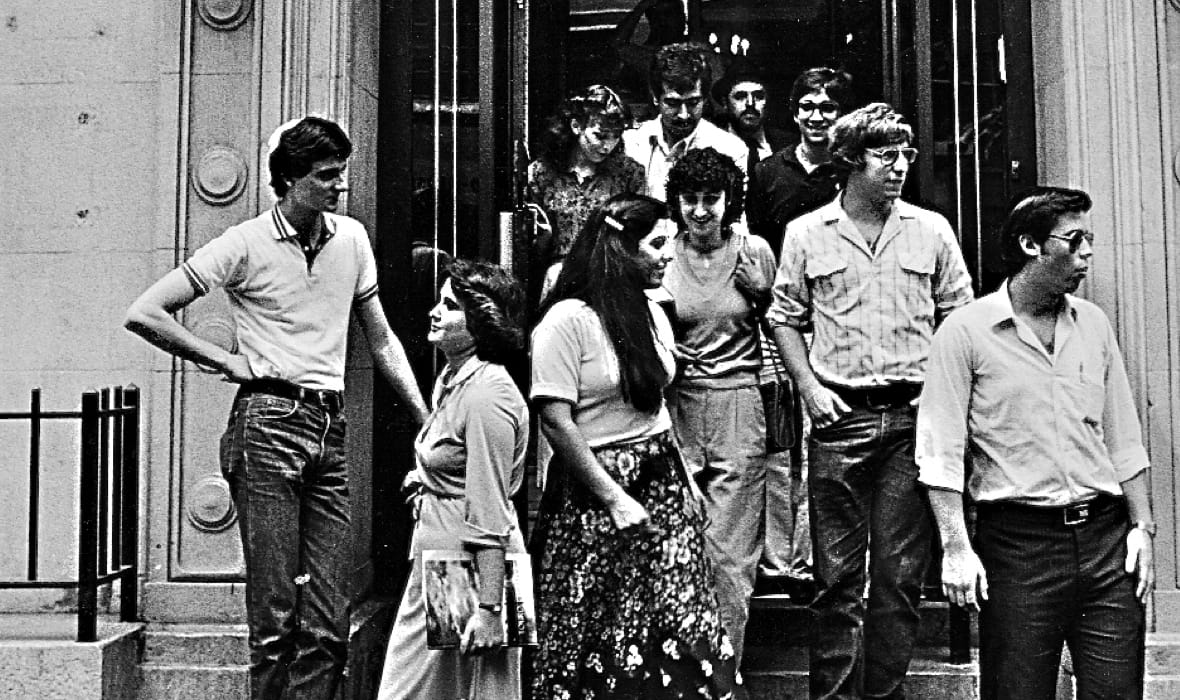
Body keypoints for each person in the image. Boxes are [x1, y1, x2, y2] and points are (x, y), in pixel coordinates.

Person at [123, 116, 430, 699]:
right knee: (275, 619)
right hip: (268, 424)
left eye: (341, 174)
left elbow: (383, 339)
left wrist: (426, 417)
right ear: (287, 180)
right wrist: (224, 360)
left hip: (328, 426)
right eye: (325, 177)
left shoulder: (352, 239)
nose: (339, 187)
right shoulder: (244, 243)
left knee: (329, 623)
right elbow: (146, 312)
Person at [767, 103, 973, 700]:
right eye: (887, 155)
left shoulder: (932, 230)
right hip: (841, 418)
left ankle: (884, 692)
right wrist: (809, 387)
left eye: (906, 154)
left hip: (913, 418)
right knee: (835, 578)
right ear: (852, 162)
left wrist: (944, 399)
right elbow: (784, 318)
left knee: (900, 577)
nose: (901, 166)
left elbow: (958, 318)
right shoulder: (806, 233)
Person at [916, 187, 1154, 700]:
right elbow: (939, 450)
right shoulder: (965, 332)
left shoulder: (1093, 324)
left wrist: (1142, 528)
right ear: (1030, 245)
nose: (1086, 252)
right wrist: (956, 548)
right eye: (1074, 240)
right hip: (1018, 547)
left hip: (1106, 544)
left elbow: (1123, 438)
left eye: (1089, 239)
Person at [530, 193, 740, 699]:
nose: (670, 255)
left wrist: (682, 478)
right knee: (596, 619)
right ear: (622, 250)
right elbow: (557, 422)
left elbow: (657, 405)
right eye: (658, 244)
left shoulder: (651, 312)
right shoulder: (567, 321)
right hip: (595, 490)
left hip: (660, 477)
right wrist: (614, 498)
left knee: (678, 612)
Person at [377, 259, 530, 699]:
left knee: (461, 692)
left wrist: (489, 610)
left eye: (450, 306)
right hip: (445, 561)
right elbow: (454, 462)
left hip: (472, 570)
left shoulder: (488, 395)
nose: (435, 312)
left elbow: (488, 508)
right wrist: (423, 477)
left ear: (483, 321)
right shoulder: (454, 381)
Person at [661, 147, 777, 665]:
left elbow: (786, 327)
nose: (701, 211)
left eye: (712, 199)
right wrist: (664, 346)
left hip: (738, 402)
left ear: (730, 201)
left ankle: (723, 673)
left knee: (730, 557)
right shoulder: (662, 251)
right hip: (676, 403)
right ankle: (678, 677)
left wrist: (764, 296)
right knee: (677, 546)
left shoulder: (755, 251)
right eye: (691, 199)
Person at [527, 84, 646, 300]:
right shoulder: (542, 173)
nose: (607, 146)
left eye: (615, 136)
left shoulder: (630, 174)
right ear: (576, 126)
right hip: (557, 280)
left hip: (608, 280)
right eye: (600, 136)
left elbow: (637, 233)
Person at [623, 42, 749, 205]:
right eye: (673, 103)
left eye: (693, 103)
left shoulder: (730, 149)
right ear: (655, 97)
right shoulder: (630, 144)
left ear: (705, 99)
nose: (683, 115)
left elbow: (736, 220)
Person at [748, 67, 854, 255]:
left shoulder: (853, 171)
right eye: (807, 107)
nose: (816, 117)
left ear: (842, 115)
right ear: (796, 113)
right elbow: (757, 242)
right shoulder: (766, 172)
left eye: (827, 108)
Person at [710, 58, 791, 177]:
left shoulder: (788, 145)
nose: (750, 103)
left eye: (758, 96)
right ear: (725, 103)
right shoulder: (711, 144)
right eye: (740, 96)